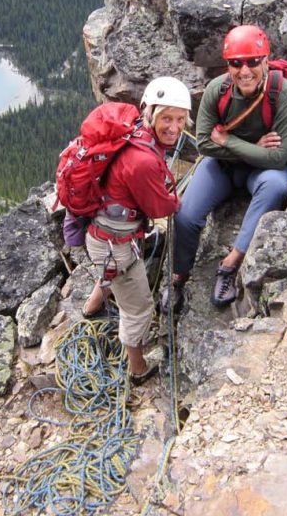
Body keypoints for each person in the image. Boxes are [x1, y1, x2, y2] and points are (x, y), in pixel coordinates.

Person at [167, 24, 287, 310]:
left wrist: (228, 139)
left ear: (266, 60)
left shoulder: (286, 96)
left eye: (253, 61)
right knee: (185, 215)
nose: (245, 71)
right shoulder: (218, 91)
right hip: (223, 166)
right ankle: (179, 275)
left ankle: (230, 265)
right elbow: (205, 144)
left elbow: (278, 159)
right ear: (228, 65)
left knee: (276, 184)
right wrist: (255, 149)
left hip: (258, 171)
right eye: (236, 63)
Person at [80, 76, 192, 383]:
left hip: (103, 236)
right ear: (150, 113)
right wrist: (175, 201)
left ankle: (93, 305)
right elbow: (160, 209)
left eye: (181, 119)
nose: (174, 127)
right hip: (117, 245)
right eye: (167, 118)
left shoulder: (134, 133)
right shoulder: (142, 159)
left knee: (110, 271)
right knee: (139, 308)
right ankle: (138, 368)